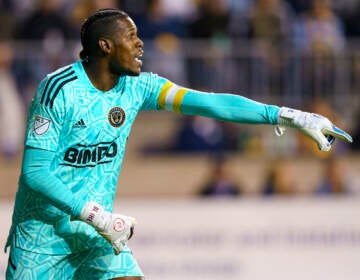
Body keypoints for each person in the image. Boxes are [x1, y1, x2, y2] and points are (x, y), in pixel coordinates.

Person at [4, 8, 352, 280]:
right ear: (105, 45)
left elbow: (212, 103)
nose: (140, 43)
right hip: (42, 239)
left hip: (98, 235)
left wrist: (287, 116)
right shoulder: (59, 89)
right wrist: (96, 215)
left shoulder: (139, 87)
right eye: (131, 36)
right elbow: (35, 173)